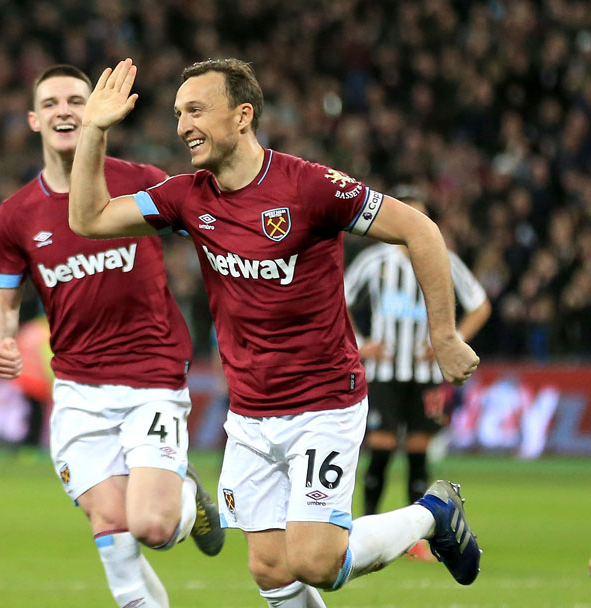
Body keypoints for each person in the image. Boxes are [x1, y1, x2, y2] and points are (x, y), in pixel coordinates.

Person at [69, 58, 482, 608]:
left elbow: (418, 229)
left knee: (314, 560)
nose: (181, 126)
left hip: (323, 403)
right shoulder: (187, 196)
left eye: (195, 110)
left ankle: (431, 515)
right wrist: (94, 130)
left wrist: (444, 334)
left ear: (243, 115)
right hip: (250, 413)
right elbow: (90, 218)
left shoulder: (310, 187)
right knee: (269, 570)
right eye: (176, 114)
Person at [0, 64, 224, 608]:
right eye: (51, 103)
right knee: (110, 522)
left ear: (95, 110)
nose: (64, 110)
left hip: (152, 379)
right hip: (77, 390)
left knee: (152, 527)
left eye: (75, 99)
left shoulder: (142, 181)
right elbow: (3, 301)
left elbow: (213, 232)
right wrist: (0, 339)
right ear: (33, 119)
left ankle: (187, 497)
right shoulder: (15, 215)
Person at [343, 187, 491, 539]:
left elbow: (480, 304)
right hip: (384, 372)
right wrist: (361, 344)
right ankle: (365, 529)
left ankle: (414, 539)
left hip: (425, 374)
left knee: (417, 453)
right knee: (380, 448)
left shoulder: (443, 258)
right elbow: (338, 298)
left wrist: (453, 341)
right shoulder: (375, 260)